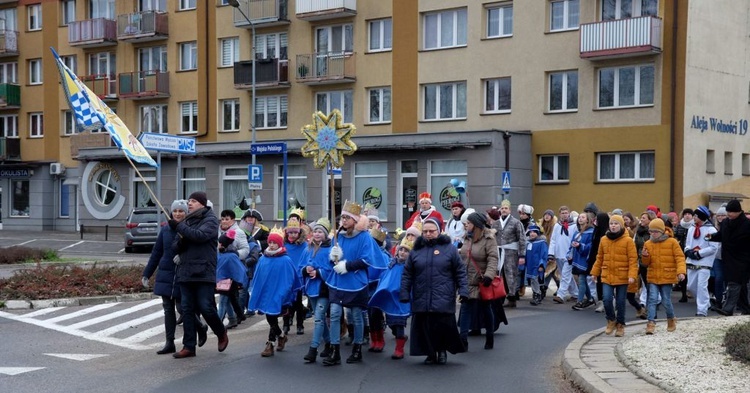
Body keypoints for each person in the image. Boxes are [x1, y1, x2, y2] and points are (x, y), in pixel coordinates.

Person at [142, 199, 206, 355]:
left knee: (183, 307)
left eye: (181, 211)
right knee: (168, 309)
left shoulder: (191, 228)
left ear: (186, 213)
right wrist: (147, 274)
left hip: (183, 274)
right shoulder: (165, 230)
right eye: (175, 211)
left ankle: (200, 327)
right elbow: (157, 253)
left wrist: (182, 257)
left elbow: (197, 250)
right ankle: (169, 342)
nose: (177, 214)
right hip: (166, 274)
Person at [400, 217, 468, 365]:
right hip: (421, 294)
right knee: (425, 326)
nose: (428, 234)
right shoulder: (416, 250)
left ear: (439, 231)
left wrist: (464, 290)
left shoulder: (449, 249)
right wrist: (404, 293)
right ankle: (430, 353)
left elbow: (460, 272)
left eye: (432, 231)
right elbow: (407, 274)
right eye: (425, 231)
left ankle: (442, 351)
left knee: (442, 325)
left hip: (443, 294)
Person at [324, 200, 384, 366]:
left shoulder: (365, 237)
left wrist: (347, 265)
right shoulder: (337, 236)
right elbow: (331, 261)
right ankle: (334, 350)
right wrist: (333, 256)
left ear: (356, 220)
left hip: (355, 282)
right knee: (335, 313)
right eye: (342, 217)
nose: (343, 220)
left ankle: (357, 348)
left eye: (347, 218)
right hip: (337, 282)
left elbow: (367, 260)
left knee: (357, 316)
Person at [170, 191, 228, 358]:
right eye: (189, 201)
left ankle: (220, 332)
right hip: (186, 270)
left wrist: (179, 226)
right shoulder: (187, 220)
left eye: (193, 201)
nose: (189, 204)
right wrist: (180, 238)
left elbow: (200, 236)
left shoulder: (210, 219)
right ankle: (189, 346)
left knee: (205, 307)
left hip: (204, 271)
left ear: (202, 203)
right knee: (187, 309)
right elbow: (176, 246)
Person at [249, 227, 301, 357]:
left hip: (279, 294)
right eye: (270, 242)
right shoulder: (263, 258)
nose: (271, 245)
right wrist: (256, 291)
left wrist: (284, 293)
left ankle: (270, 343)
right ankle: (281, 336)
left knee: (272, 316)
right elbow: (258, 276)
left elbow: (289, 279)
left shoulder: (285, 260)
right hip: (266, 293)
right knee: (269, 316)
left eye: (274, 243)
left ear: (280, 243)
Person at [590, 215, 638, 338]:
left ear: (621, 225)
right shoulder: (604, 240)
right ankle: (611, 320)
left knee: (621, 302)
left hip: (622, 275)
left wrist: (632, 275)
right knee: (606, 299)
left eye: (616, 224)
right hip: (607, 275)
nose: (613, 226)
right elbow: (599, 257)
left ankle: (620, 324)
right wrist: (595, 272)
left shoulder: (628, 241)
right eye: (611, 224)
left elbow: (633, 260)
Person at [458, 212, 499, 350]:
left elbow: (493, 258)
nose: (466, 225)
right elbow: (463, 256)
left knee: (486, 309)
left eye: (468, 223)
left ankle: (489, 336)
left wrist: (489, 275)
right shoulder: (467, 238)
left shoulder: (489, 239)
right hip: (466, 280)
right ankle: (463, 340)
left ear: (475, 225)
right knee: (465, 308)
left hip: (482, 280)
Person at [369, 237, 413, 359]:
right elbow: (385, 278)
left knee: (399, 323)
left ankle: (399, 349)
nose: (402, 252)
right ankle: (395, 338)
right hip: (390, 297)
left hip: (401, 299)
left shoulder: (410, 267)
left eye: (406, 250)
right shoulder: (392, 264)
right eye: (401, 249)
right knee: (391, 322)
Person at [641, 218, 686, 334]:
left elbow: (680, 258)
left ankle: (671, 319)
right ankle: (650, 323)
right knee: (652, 299)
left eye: (655, 231)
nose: (653, 234)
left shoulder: (672, 242)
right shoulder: (648, 243)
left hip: (667, 275)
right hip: (653, 276)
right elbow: (646, 264)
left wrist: (681, 272)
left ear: (662, 231)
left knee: (666, 300)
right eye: (651, 231)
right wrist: (645, 257)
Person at [706, 200, 750, 316]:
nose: (730, 214)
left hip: (742, 259)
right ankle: (746, 308)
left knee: (734, 283)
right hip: (728, 258)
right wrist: (711, 237)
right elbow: (721, 235)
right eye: (728, 211)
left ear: (739, 211)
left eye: (732, 212)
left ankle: (728, 309)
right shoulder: (726, 223)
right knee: (741, 285)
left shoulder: (747, 224)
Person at [300, 218, 333, 363]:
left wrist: (319, 273)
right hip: (311, 288)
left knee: (319, 317)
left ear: (325, 234)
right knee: (318, 317)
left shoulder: (331, 249)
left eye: (320, 231)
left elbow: (333, 270)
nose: (317, 234)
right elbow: (302, 265)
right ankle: (330, 343)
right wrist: (306, 270)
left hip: (324, 289)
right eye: (315, 231)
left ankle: (313, 349)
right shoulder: (309, 248)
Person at [683, 206, 718, 317]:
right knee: (691, 286)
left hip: (704, 263)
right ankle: (706, 303)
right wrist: (688, 251)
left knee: (702, 286)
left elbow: (713, 247)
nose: (694, 218)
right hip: (691, 262)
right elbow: (688, 243)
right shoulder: (691, 228)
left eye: (696, 216)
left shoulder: (711, 230)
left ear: (702, 217)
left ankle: (701, 311)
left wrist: (699, 253)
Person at [218, 210, 249, 327]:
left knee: (224, 298)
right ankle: (233, 318)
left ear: (233, 220)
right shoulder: (218, 230)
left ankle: (218, 324)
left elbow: (245, 250)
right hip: (221, 269)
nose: (224, 221)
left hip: (232, 270)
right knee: (227, 297)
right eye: (223, 219)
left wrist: (233, 254)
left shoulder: (238, 232)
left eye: (227, 219)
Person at [492, 199, 526, 308]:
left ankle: (512, 297)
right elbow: (492, 238)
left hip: (511, 253)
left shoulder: (516, 223)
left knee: (510, 275)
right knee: (499, 274)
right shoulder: (496, 223)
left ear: (510, 210)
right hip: (499, 252)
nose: (504, 210)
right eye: (502, 208)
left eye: (506, 208)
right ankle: (500, 296)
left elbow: (522, 239)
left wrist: (522, 255)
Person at [283, 220, 309, 335]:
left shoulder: (304, 245)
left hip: (298, 277)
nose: (293, 235)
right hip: (286, 277)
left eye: (295, 233)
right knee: (286, 302)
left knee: (298, 302)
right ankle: (286, 323)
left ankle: (300, 324)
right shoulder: (284, 245)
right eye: (290, 232)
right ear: (287, 233)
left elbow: (306, 258)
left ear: (299, 233)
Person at [549, 206, 577, 304]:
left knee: (565, 275)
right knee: (566, 275)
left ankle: (561, 295)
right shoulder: (557, 226)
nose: (564, 215)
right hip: (558, 254)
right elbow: (553, 240)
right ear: (560, 214)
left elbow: (575, 239)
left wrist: (573, 252)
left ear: (569, 213)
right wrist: (551, 253)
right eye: (562, 213)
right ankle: (575, 293)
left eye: (566, 213)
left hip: (568, 254)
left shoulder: (574, 226)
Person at [570, 213, 597, 311]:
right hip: (577, 258)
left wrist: (580, 246)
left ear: (587, 220)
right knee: (583, 280)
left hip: (585, 259)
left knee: (581, 280)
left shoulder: (591, 232)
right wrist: (570, 253)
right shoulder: (577, 232)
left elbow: (591, 246)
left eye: (583, 217)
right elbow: (571, 244)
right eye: (579, 217)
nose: (580, 219)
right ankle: (590, 299)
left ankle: (579, 301)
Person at [524, 224, 548, 306]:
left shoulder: (541, 243)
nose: (532, 234)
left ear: (537, 233)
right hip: (530, 265)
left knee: (535, 280)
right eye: (530, 232)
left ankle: (537, 295)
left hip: (537, 265)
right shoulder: (528, 243)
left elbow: (544, 254)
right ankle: (539, 292)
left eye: (534, 232)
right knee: (532, 280)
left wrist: (542, 265)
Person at [711, 205, 728, 307]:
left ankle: (727, 300)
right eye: (719, 215)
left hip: (728, 257)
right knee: (718, 279)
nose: (720, 217)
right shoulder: (714, 228)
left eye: (723, 215)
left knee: (728, 281)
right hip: (717, 257)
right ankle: (718, 301)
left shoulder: (729, 227)